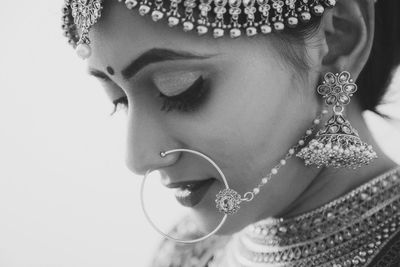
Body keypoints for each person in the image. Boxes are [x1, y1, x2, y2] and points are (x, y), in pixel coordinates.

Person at [61, 0, 400, 265]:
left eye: (181, 90)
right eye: (118, 101)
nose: (138, 158)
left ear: (335, 39)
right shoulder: (184, 253)